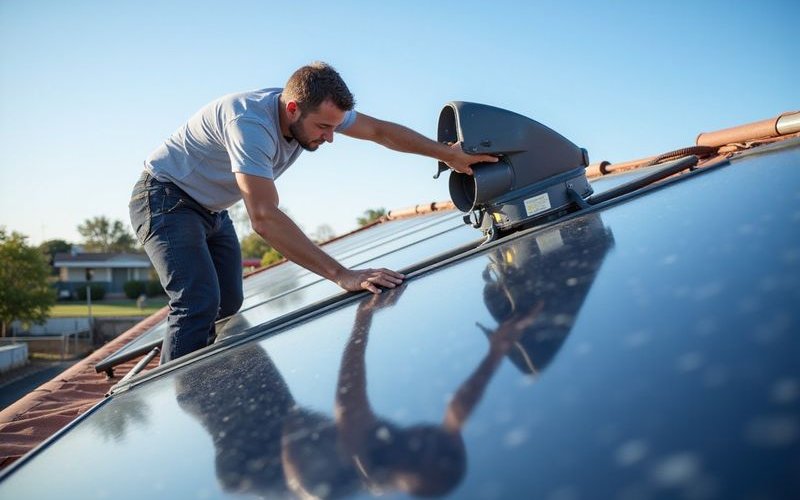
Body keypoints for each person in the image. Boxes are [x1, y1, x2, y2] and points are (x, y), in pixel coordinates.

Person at [129, 62, 497, 363]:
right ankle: (175, 398)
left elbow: (380, 131)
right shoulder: (250, 125)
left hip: (212, 209)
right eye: (323, 127)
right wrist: (341, 274)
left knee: (228, 303)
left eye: (335, 126)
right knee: (197, 303)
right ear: (292, 109)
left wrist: (448, 155)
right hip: (166, 200)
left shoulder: (315, 107)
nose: (330, 137)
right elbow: (263, 217)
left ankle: (199, 370)